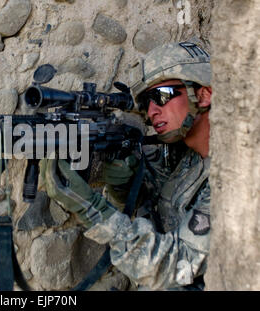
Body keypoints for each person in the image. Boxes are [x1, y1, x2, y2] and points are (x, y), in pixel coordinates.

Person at [40, 42, 212, 290]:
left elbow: (180, 268)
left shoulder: (239, 174)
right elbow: (162, 214)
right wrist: (123, 189)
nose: (152, 111)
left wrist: (94, 210)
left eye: (161, 96)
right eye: (146, 102)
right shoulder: (191, 158)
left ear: (204, 95)